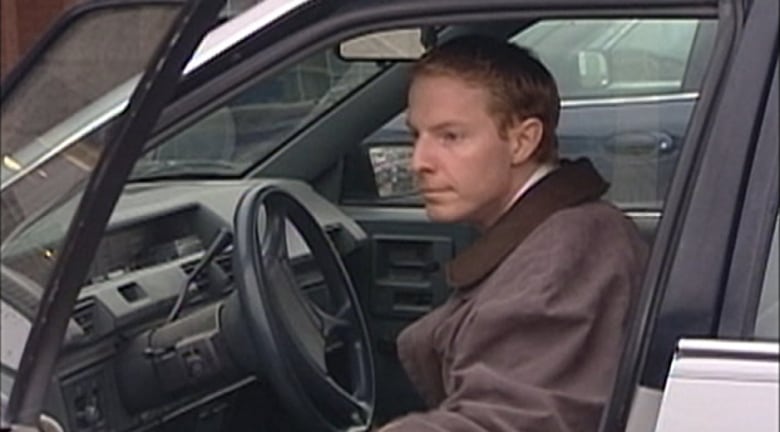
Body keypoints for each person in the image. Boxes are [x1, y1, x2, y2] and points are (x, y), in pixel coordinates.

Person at [378, 35, 649, 432]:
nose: (419, 162)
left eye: (451, 137)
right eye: (415, 136)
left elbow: (507, 423)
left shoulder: (567, 256)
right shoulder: (553, 232)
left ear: (523, 141)